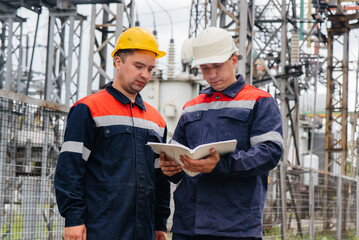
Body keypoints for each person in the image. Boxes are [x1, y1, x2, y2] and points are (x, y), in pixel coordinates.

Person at [160, 27, 283, 239]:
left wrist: (222, 164)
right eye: (205, 68)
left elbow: (269, 153)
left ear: (234, 60)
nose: (212, 74)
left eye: (217, 66)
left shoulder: (260, 101)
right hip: (189, 225)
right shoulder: (191, 107)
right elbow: (177, 153)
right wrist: (170, 168)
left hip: (236, 226)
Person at [54, 27, 170, 240]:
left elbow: (160, 179)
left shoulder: (157, 121)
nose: (145, 74)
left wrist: (160, 222)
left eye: (150, 69)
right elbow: (70, 167)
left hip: (144, 230)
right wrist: (73, 218)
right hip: (100, 228)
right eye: (138, 66)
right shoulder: (88, 109)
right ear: (118, 62)